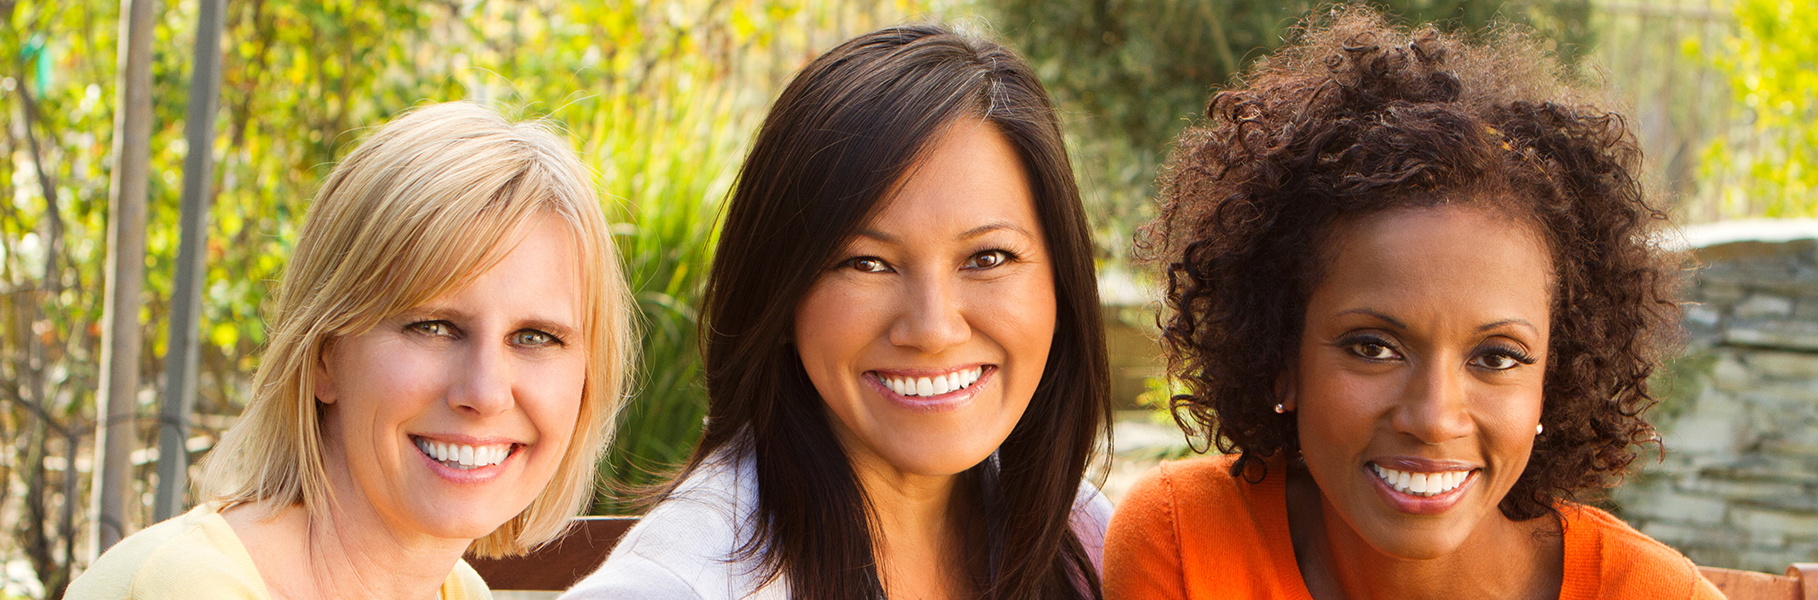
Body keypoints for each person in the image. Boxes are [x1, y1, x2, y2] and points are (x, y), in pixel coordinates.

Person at [1104, 7, 1721, 600]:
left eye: (1498, 357)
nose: (1433, 417)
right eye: (1373, 348)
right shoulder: (1186, 540)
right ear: (1282, 358)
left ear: (1552, 385)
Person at [563, 23, 1112, 600]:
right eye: (866, 263)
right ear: (778, 292)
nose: (933, 329)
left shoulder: (1084, 535)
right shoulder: (677, 586)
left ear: (1061, 279)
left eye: (988, 257)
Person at [68, 102, 636, 600]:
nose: (485, 392)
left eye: (536, 337)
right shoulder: (182, 589)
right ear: (322, 354)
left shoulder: (457, 591)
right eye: (434, 326)